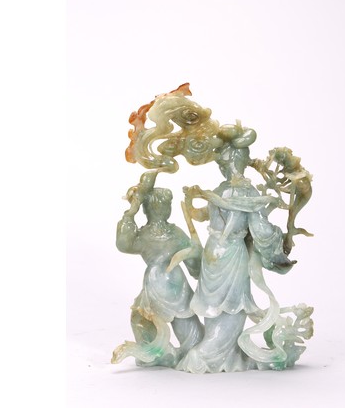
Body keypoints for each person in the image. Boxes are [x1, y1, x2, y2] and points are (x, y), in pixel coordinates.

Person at [176, 131, 296, 373]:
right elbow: (261, 231)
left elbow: (204, 215)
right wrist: (280, 241)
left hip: (213, 251)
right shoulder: (247, 193)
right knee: (234, 307)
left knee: (214, 306)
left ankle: (228, 355)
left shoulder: (219, 190)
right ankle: (204, 357)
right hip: (231, 253)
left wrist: (191, 204)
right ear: (242, 161)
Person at [112, 175, 204, 367]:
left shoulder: (156, 234)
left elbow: (195, 266)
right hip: (164, 283)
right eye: (157, 205)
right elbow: (124, 245)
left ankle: (169, 353)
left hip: (168, 283)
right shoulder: (162, 234)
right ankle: (164, 353)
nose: (160, 209)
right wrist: (130, 213)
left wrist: (131, 213)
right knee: (149, 320)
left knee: (153, 320)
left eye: (164, 205)